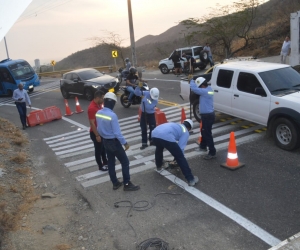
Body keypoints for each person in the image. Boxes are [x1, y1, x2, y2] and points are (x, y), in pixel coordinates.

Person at [96, 92, 140, 191]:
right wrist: (125, 143)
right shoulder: (112, 115)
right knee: (125, 162)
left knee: (111, 162)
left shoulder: (98, 113)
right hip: (114, 142)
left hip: (106, 142)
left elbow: (99, 129)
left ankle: (115, 183)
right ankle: (127, 184)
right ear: (112, 103)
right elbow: (117, 133)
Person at [152, 119, 199, 186]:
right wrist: (178, 158)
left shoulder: (177, 125)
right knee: (180, 157)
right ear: (189, 128)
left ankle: (158, 166)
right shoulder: (185, 131)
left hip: (154, 134)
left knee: (159, 148)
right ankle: (191, 179)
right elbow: (181, 148)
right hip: (166, 136)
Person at [190, 77, 216, 160]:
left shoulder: (205, 91)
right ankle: (203, 146)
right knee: (203, 131)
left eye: (199, 86)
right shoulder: (209, 89)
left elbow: (194, 89)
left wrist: (192, 81)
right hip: (207, 115)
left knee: (207, 134)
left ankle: (212, 152)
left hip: (208, 116)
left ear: (202, 85)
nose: (199, 88)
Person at [87, 90, 108, 171]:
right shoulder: (92, 108)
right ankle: (100, 165)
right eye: (102, 98)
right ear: (97, 98)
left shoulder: (99, 105)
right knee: (98, 150)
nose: (103, 100)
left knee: (103, 148)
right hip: (95, 133)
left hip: (100, 131)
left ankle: (105, 162)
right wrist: (97, 135)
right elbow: (92, 123)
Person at [134, 83, 159, 150]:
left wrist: (145, 100)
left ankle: (152, 141)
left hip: (151, 114)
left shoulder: (155, 100)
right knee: (143, 129)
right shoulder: (146, 93)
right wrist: (138, 86)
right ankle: (144, 143)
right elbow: (137, 93)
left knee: (153, 128)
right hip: (143, 114)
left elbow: (149, 106)